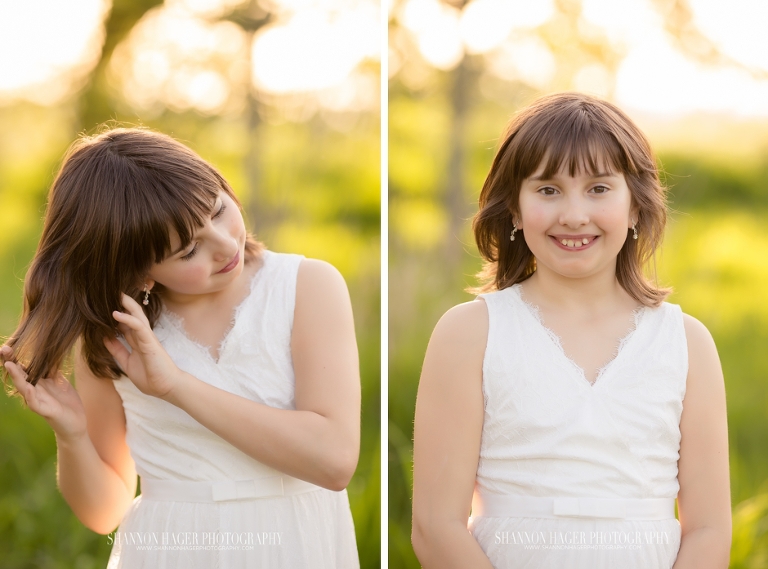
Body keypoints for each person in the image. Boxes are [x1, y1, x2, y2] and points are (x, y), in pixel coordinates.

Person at [1, 127, 361, 568]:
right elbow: (105, 512)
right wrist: (72, 434)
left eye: (218, 209)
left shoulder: (305, 287)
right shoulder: (116, 336)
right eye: (189, 249)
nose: (226, 244)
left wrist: (175, 386)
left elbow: (334, 460)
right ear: (140, 272)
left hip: (294, 544)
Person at [411, 93, 731, 568]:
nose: (574, 215)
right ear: (515, 210)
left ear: (636, 207)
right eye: (548, 190)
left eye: (599, 189)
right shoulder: (470, 333)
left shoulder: (686, 343)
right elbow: (436, 527)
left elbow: (708, 529)